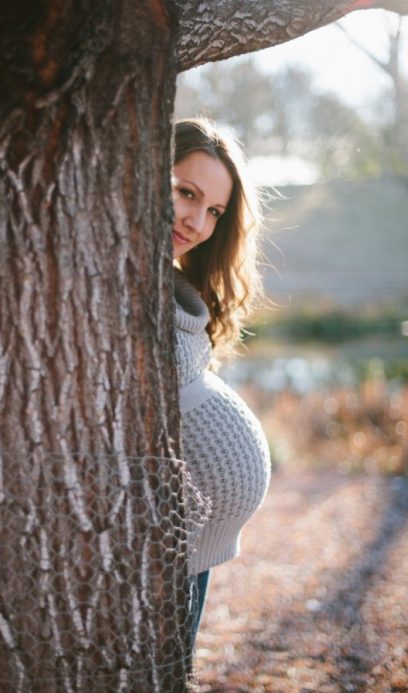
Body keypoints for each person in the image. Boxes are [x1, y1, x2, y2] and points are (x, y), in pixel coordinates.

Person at [171, 118, 271, 643]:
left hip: (187, 537)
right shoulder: (107, 276)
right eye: (186, 193)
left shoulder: (169, 279)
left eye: (213, 211)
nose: (197, 222)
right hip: (165, 534)